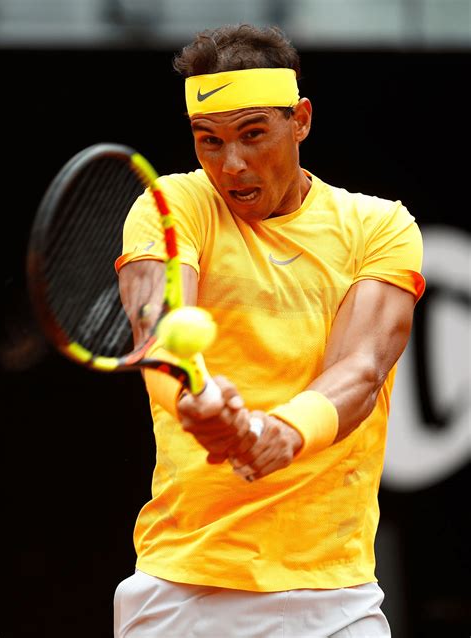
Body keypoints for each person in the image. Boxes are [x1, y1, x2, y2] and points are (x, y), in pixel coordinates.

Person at [113, 24, 425, 638]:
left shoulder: (380, 227)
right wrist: (191, 397)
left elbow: (361, 372)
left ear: (300, 119)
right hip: (185, 587)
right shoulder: (172, 205)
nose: (232, 165)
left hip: (336, 595)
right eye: (209, 141)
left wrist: (280, 431)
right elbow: (159, 322)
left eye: (254, 134)